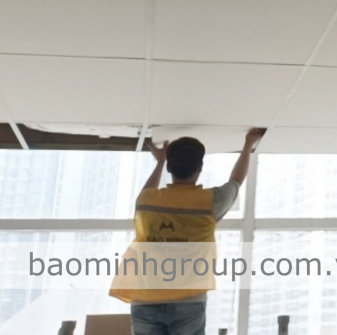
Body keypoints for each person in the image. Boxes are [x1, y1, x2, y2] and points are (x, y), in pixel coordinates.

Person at [111, 128, 266, 335]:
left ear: (170, 167)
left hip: (145, 297)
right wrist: (248, 145)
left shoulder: (147, 201)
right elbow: (236, 181)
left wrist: (160, 162)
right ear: (200, 168)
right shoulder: (211, 202)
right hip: (188, 300)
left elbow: (147, 192)